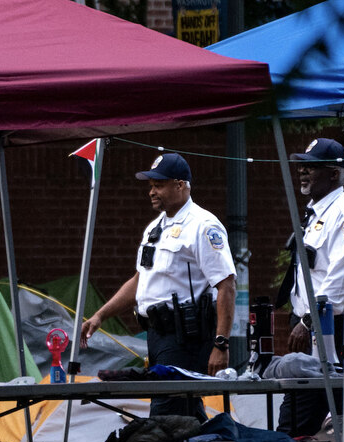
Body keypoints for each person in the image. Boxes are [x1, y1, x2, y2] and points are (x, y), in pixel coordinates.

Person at [80, 153, 236, 421]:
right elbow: (140, 280)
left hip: (186, 335)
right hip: (158, 334)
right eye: (150, 185)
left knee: (167, 413)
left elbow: (226, 285)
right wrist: (101, 315)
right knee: (182, 411)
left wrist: (220, 344)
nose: (152, 192)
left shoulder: (203, 225)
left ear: (180, 185)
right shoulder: (156, 228)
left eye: (159, 185)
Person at [275, 137, 344, 438]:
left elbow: (342, 278)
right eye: (302, 165)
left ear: (335, 174)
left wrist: (308, 319)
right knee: (292, 428)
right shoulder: (315, 215)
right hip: (311, 336)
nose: (302, 171)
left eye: (312, 166)